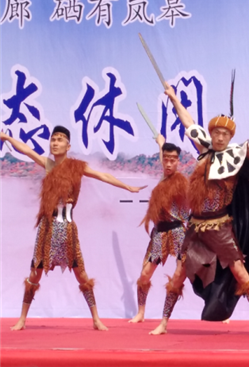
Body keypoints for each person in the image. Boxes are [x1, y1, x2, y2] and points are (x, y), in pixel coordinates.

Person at [164, 85, 249, 337]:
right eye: (216, 132)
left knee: (240, 272)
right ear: (211, 134)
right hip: (196, 226)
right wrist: (173, 98)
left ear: (230, 137)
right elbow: (188, 122)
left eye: (225, 134)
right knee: (179, 273)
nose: (220, 137)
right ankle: (163, 323)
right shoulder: (204, 151)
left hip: (221, 226)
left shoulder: (236, 159)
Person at [1, 126, 146, 331]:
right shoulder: (48, 164)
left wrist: (127, 187)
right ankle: (22, 319)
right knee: (34, 274)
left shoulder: (77, 167)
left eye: (60, 140)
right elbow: (26, 150)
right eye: (53, 139)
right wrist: (6, 137)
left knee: (82, 275)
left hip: (67, 229)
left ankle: (96, 319)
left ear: (68, 146)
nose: (55, 143)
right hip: (47, 229)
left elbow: (103, 176)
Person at [127, 134, 190, 335]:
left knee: (183, 276)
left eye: (173, 160)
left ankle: (164, 322)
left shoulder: (181, 183)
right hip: (160, 233)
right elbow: (164, 160)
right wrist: (161, 143)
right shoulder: (163, 180)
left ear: (178, 161)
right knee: (145, 275)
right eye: (166, 159)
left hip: (178, 232)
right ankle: (141, 312)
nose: (169, 163)